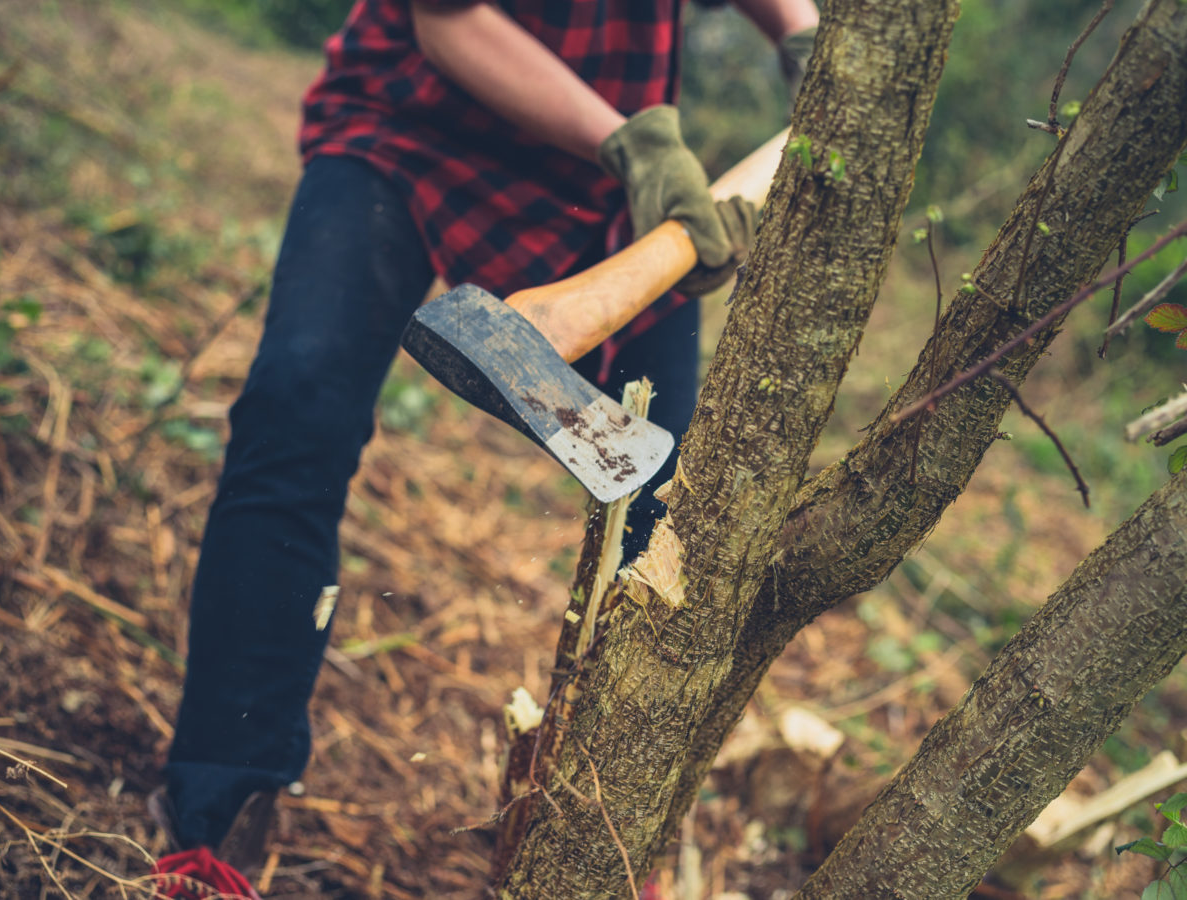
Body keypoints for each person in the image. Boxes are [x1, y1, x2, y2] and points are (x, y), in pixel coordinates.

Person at [148, 0, 818, 896]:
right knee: (296, 407)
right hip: (415, 120)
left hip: (619, 168)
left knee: (667, 514)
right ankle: (217, 807)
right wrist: (635, 147)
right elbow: (448, 18)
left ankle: (608, 853)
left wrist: (805, 35)